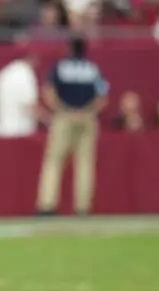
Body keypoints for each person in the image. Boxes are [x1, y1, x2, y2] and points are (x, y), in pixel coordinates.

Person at [36, 35, 108, 216]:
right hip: (87, 119)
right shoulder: (92, 69)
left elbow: (48, 90)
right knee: (85, 163)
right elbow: (103, 96)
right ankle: (82, 207)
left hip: (64, 117)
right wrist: (88, 112)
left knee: (54, 162)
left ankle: (47, 205)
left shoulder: (61, 67)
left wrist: (62, 109)